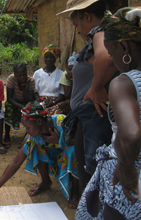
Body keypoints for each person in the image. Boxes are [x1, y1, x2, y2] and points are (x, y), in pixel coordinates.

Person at [76, 8, 141, 219]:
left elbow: (131, 134)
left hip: (127, 180)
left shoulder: (124, 82)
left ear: (124, 46)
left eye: (111, 53)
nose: (112, 60)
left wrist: (126, 167)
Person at [58, 0, 117, 190]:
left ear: (87, 17)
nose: (77, 31)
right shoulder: (100, 37)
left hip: (94, 119)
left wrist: (96, 87)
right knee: (91, 178)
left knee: (92, 181)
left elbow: (107, 58)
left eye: (76, 25)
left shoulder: (99, 33)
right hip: (90, 119)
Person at [0, 103, 80, 209]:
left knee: (72, 151)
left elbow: (80, 141)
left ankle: (75, 188)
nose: (26, 131)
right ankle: (46, 181)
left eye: (28, 127)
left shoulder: (60, 121)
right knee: (35, 147)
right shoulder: (33, 137)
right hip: (54, 159)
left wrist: (60, 141)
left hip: (70, 159)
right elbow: (16, 162)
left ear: (38, 122)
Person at [3, 63, 35, 149]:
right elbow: (9, 98)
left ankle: (26, 137)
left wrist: (24, 88)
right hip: (14, 101)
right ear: (15, 74)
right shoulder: (11, 79)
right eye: (19, 75)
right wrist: (22, 107)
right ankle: (6, 135)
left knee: (31, 107)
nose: (22, 77)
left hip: (26, 102)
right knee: (8, 106)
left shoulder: (31, 81)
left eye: (24, 74)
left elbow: (30, 99)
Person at [33, 44, 65, 112]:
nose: (48, 59)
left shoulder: (61, 74)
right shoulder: (37, 73)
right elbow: (35, 91)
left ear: (55, 58)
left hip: (55, 102)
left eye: (51, 57)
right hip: (40, 101)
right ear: (43, 58)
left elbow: (62, 94)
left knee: (53, 114)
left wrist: (53, 102)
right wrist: (40, 102)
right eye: (46, 57)